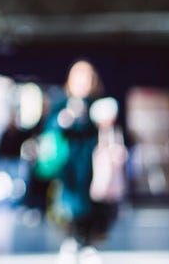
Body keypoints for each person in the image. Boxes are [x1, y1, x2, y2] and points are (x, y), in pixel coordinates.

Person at [43, 59, 113, 263]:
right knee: (68, 204)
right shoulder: (61, 104)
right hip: (68, 167)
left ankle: (88, 242)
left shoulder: (98, 105)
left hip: (92, 165)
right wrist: (64, 120)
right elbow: (50, 130)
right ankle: (72, 240)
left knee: (93, 202)